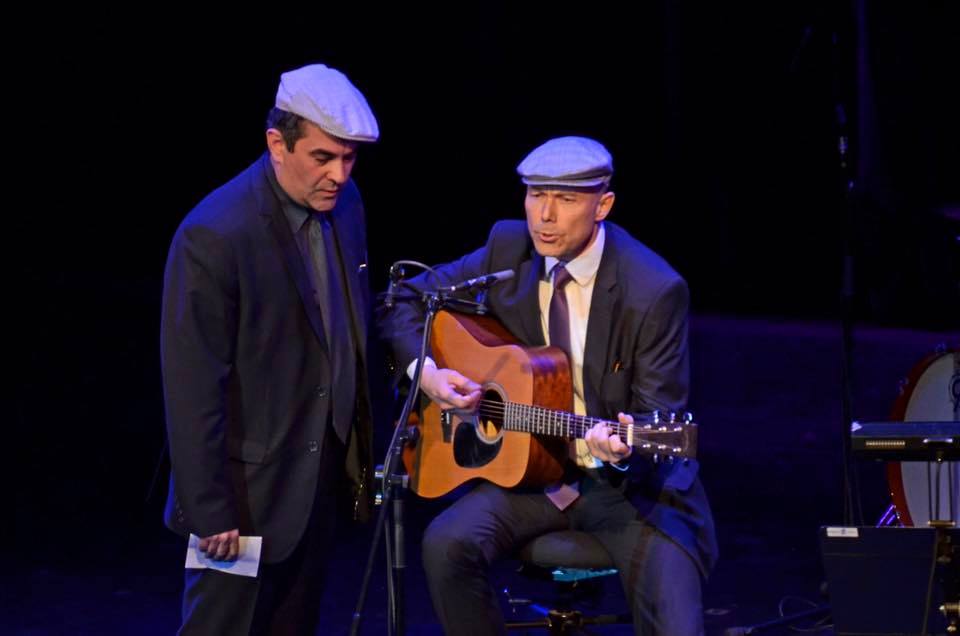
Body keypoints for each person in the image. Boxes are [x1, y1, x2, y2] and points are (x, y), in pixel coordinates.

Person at [380, 136, 718, 635]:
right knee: (446, 544)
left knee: (674, 619)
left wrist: (619, 451)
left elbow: (655, 417)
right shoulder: (509, 250)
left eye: (566, 199)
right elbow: (404, 300)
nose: (545, 216)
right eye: (536, 195)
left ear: (603, 205)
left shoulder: (652, 290)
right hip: (534, 475)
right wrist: (427, 375)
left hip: (628, 490)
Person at [161, 63, 380, 635]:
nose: (339, 174)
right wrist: (210, 509)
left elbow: (347, 326)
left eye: (349, 159)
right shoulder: (216, 233)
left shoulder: (345, 205)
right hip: (243, 492)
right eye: (323, 157)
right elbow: (191, 387)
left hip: (315, 477)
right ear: (276, 144)